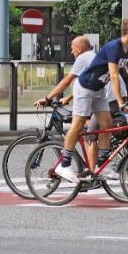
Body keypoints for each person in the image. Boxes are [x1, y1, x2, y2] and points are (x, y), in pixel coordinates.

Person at [55, 18, 128, 183]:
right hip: (85, 87)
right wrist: (120, 101)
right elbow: (113, 76)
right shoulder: (114, 47)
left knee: (107, 124)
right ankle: (64, 163)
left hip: (99, 89)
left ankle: (101, 164)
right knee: (78, 123)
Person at [34, 36, 96, 166]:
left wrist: (47, 98)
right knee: (86, 130)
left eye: (72, 50)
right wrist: (68, 98)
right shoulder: (92, 56)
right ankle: (92, 166)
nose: (72, 52)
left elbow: (66, 81)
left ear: (78, 49)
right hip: (99, 96)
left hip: (97, 97)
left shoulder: (82, 58)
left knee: (81, 128)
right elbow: (87, 83)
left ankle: (89, 170)